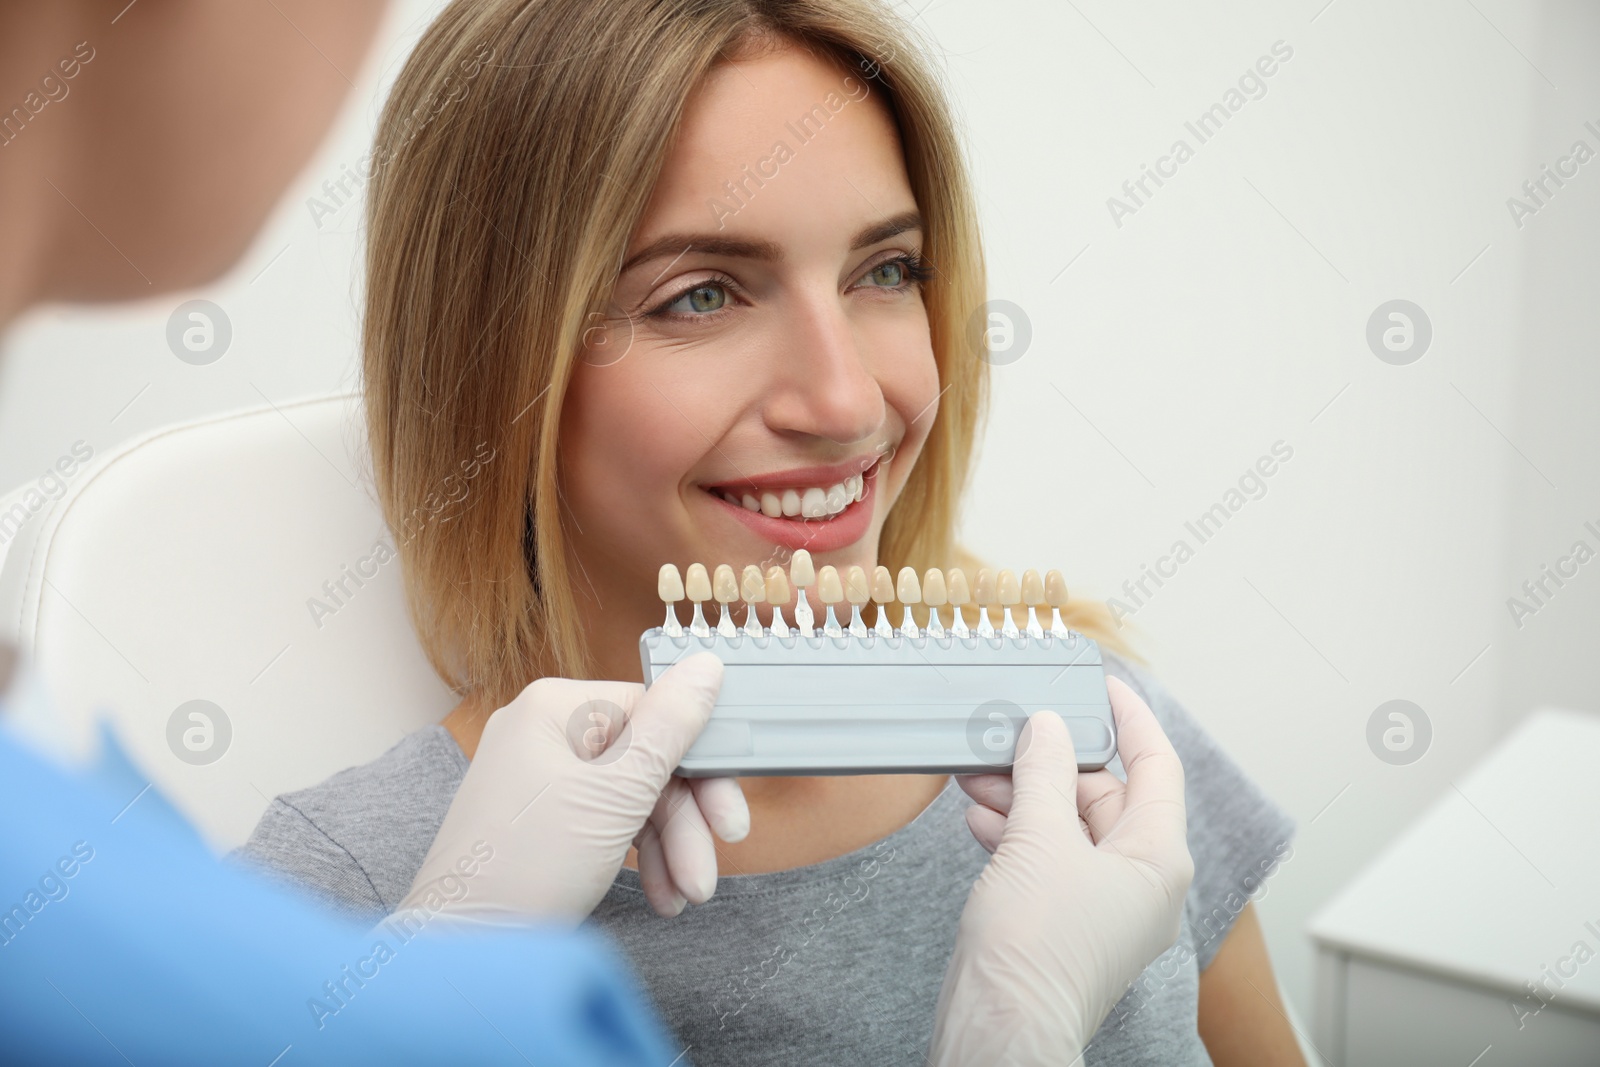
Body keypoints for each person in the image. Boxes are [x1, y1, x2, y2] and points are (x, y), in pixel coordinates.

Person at [232, 1, 1303, 1063]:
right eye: (700, 296)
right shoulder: (342, 898)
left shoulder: (1106, 747)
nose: (843, 402)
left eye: (884, 272)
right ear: (492, 364)